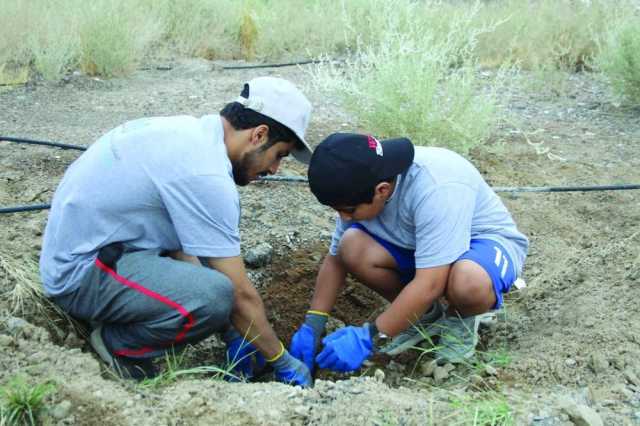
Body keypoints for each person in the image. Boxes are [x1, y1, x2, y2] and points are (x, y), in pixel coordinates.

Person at [40, 76, 313, 386]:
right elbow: (237, 293)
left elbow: (183, 248)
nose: (275, 170)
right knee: (215, 296)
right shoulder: (206, 173)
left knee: (212, 288)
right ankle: (121, 345)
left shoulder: (189, 135)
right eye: (279, 155)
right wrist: (282, 360)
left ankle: (120, 310)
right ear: (259, 135)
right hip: (80, 274)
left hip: (91, 252)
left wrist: (236, 333)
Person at [290, 133, 528, 373]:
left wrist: (371, 335)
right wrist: (314, 323)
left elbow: (430, 284)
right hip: (424, 250)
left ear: (381, 190)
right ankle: (425, 316)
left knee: (468, 283)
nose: (344, 217)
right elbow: (335, 261)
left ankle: (459, 320)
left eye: (349, 210)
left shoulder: (437, 187)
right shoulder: (362, 177)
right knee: (351, 246)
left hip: (482, 245)